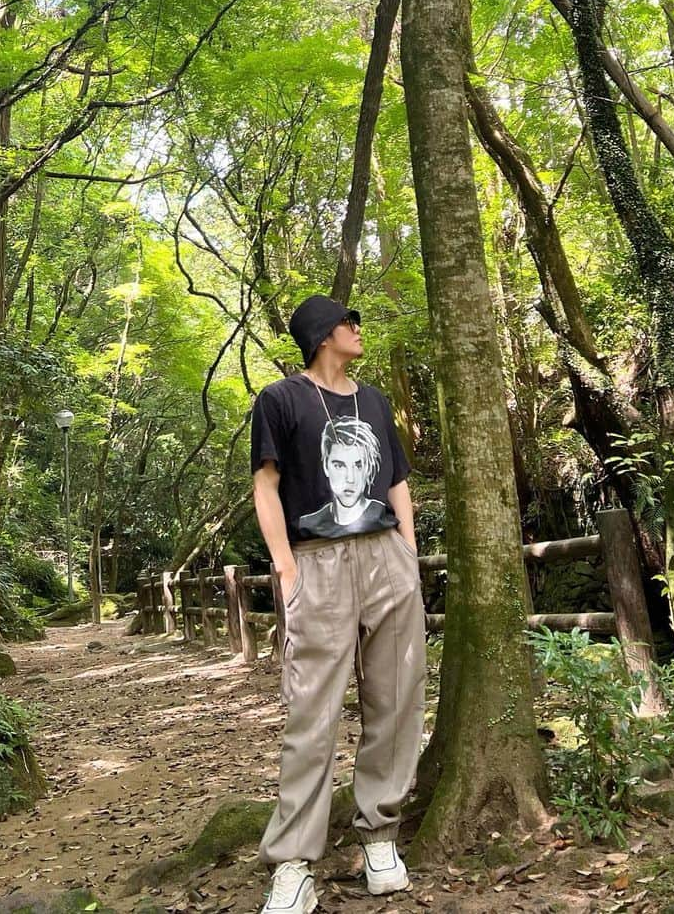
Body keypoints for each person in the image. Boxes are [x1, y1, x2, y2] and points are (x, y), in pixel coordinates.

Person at [251, 295, 426, 914]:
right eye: (350, 322)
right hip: (317, 565)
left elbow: (398, 481)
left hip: (386, 560)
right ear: (325, 335)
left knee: (397, 699)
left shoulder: (374, 400)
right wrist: (287, 567)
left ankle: (381, 836)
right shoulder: (280, 400)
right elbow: (266, 486)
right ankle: (294, 863)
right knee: (311, 713)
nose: (358, 329)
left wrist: (407, 553)